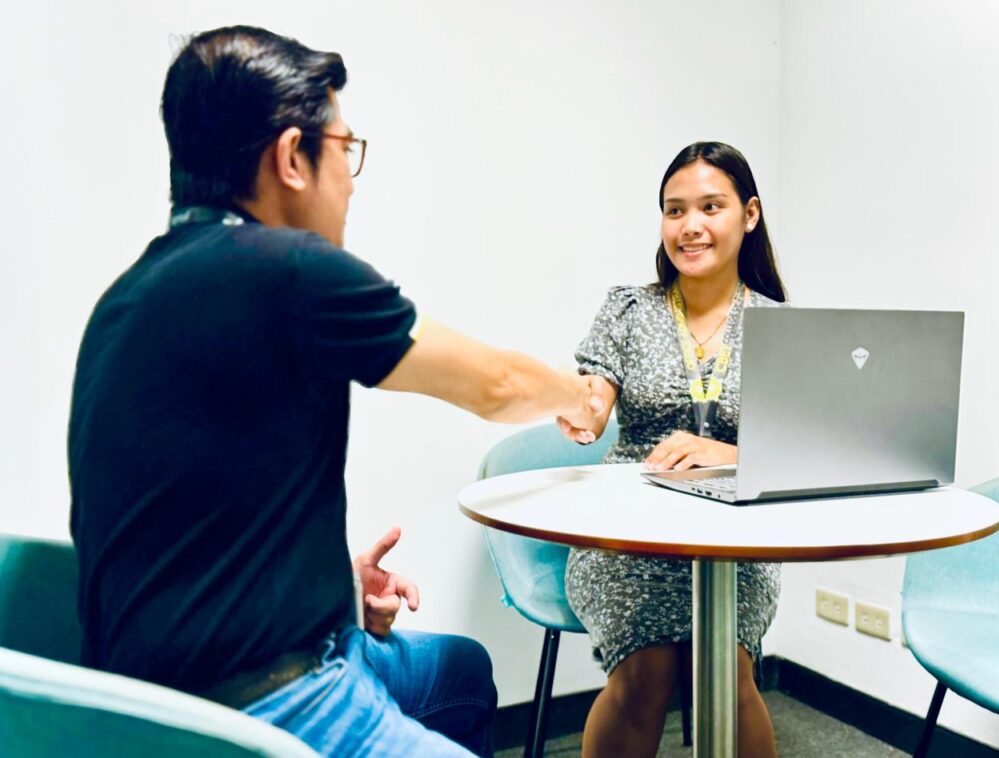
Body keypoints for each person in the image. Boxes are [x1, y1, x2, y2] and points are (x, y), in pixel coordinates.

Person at [67, 26, 602, 758]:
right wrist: (581, 397)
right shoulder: (289, 268)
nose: (349, 180)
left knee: (463, 672)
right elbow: (496, 386)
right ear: (292, 157)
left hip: (144, 695)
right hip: (266, 701)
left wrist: (330, 586)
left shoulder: (127, 298)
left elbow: (188, 516)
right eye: (344, 151)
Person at [557, 141, 786, 757]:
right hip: (628, 530)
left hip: (736, 534)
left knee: (728, 671)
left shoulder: (780, 325)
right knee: (647, 669)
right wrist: (584, 410)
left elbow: (794, 453)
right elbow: (592, 396)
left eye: (710, 207)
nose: (690, 226)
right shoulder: (628, 309)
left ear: (750, 214)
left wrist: (728, 454)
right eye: (674, 209)